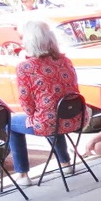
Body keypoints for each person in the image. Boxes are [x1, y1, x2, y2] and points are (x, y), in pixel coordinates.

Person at [6, 20, 80, 186]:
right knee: (53, 113)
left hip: (50, 123)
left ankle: (23, 175)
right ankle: (65, 163)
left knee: (11, 122)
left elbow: (26, 104)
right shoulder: (65, 61)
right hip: (75, 118)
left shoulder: (26, 67)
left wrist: (34, 115)